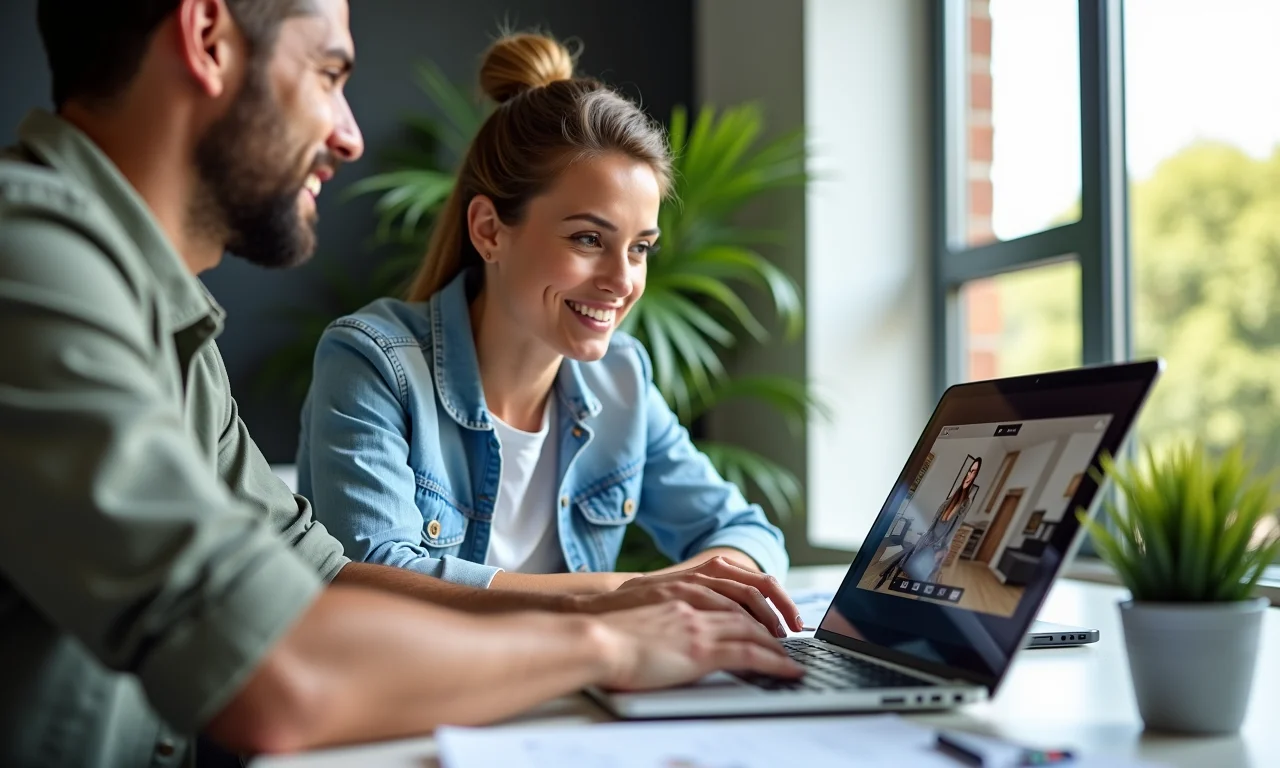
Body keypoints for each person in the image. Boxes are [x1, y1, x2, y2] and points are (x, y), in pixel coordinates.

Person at [0, 2, 804, 764]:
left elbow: (316, 572)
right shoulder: (29, 267)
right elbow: (279, 671)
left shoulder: (171, 327)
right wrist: (611, 637)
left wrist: (607, 603)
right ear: (208, 37)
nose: (349, 135)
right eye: (328, 73)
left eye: (640, 247)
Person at [296, 31, 790, 598]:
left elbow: (749, 535)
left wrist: (661, 593)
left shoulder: (620, 378)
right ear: (489, 230)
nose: (623, 281)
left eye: (640, 248)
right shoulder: (372, 361)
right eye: (588, 239)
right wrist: (624, 596)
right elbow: (378, 577)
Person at [875, 457, 983, 589]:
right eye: (970, 471)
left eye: (974, 473)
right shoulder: (954, 496)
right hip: (930, 535)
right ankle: (890, 573)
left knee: (917, 568)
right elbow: (938, 518)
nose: (970, 475)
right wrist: (927, 534)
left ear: (976, 477)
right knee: (909, 556)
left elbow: (954, 528)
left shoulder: (966, 503)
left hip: (938, 542)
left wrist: (943, 548)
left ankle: (902, 576)